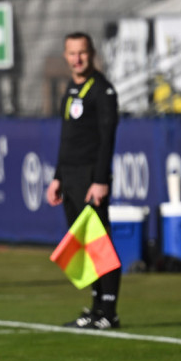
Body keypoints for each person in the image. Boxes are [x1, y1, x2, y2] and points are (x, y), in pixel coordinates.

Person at [45, 32, 122, 330]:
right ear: (66, 56)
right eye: (72, 53)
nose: (77, 59)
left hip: (92, 178)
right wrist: (58, 177)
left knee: (101, 244)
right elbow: (68, 140)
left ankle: (109, 311)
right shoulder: (71, 89)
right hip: (72, 178)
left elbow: (107, 139)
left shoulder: (103, 91)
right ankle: (95, 308)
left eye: (83, 53)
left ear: (92, 54)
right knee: (86, 247)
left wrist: (100, 180)